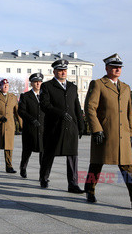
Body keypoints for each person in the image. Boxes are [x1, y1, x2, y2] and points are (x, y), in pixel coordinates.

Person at [84, 53, 132, 209]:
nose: (117, 69)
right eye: (114, 67)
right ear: (107, 68)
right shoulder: (98, 84)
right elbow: (90, 108)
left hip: (122, 135)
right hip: (105, 133)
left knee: (127, 166)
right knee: (97, 163)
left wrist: (131, 133)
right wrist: (96, 129)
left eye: (119, 67)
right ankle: (90, 190)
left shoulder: (126, 87)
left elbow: (129, 112)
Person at [39, 60, 85, 193]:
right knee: (49, 154)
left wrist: (81, 125)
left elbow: (77, 106)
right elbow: (45, 105)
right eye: (60, 70)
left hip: (71, 127)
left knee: (72, 155)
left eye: (65, 70)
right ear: (54, 72)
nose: (63, 72)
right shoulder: (47, 86)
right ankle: (44, 177)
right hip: (54, 127)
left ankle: (73, 184)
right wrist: (60, 113)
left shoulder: (72, 87)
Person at [0, 79, 22, 173]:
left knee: (9, 147)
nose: (6, 87)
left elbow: (17, 113)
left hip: (9, 126)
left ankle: (9, 166)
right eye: (4, 85)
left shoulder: (13, 97)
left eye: (7, 85)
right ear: (0, 86)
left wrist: (21, 125)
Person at [18, 73, 45, 179]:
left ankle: (43, 174)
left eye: (40, 82)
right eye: (36, 82)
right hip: (30, 129)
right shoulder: (25, 96)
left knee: (43, 152)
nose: (38, 84)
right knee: (27, 151)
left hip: (43, 129)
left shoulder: (45, 96)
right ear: (32, 83)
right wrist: (31, 120)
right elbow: (21, 111)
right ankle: (23, 167)